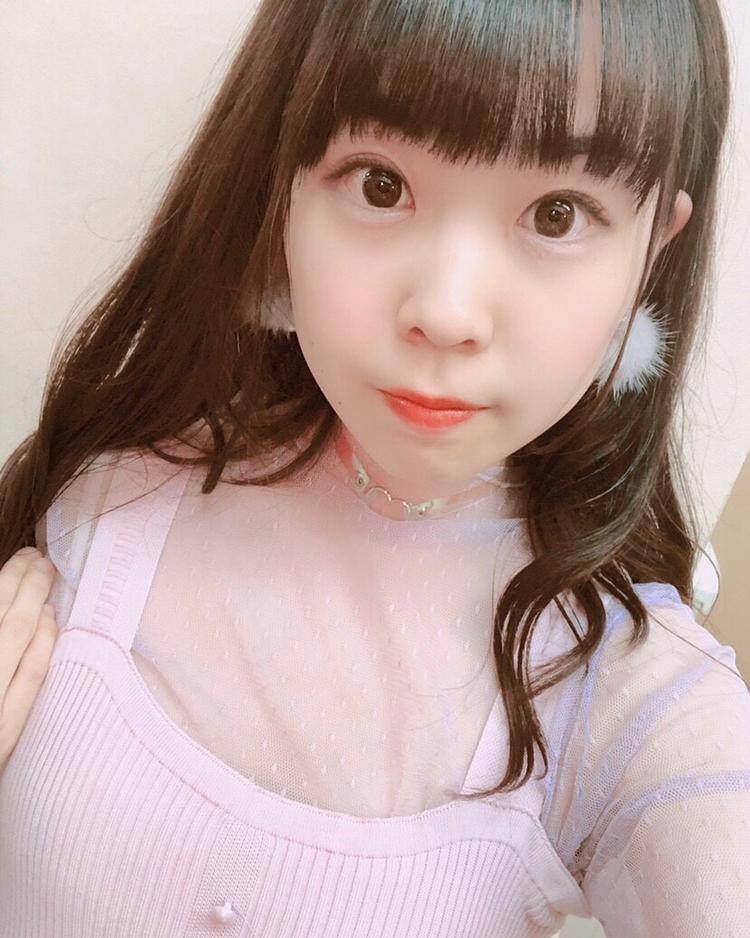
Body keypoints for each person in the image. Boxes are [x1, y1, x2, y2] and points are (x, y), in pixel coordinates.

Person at [0, 0, 748, 935]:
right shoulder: (114, 484)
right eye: (381, 185)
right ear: (284, 185)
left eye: (558, 214)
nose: (446, 311)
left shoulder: (627, 690)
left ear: (651, 251)